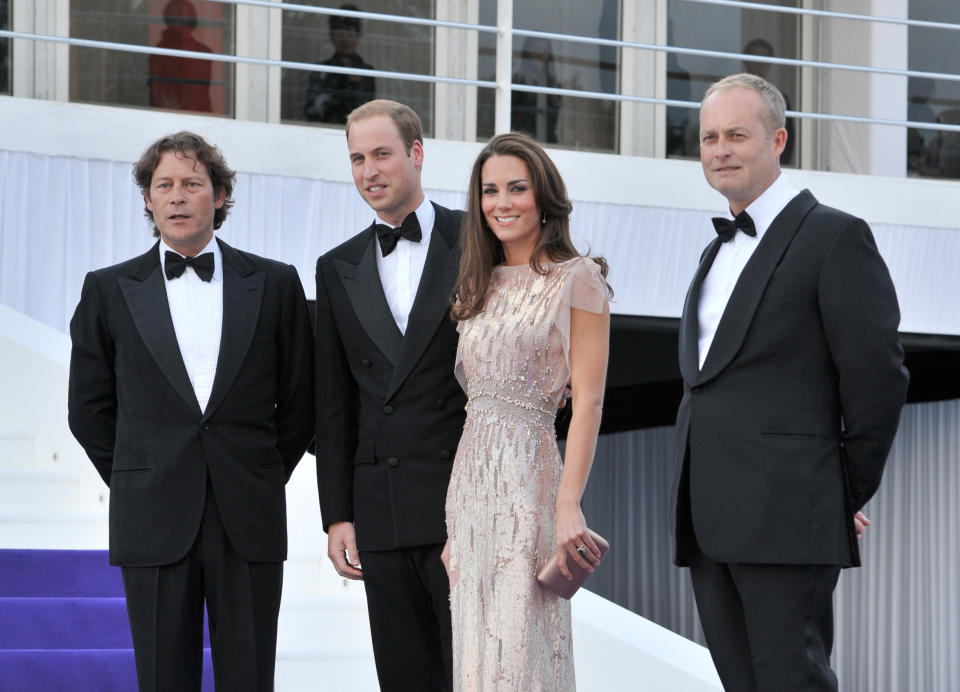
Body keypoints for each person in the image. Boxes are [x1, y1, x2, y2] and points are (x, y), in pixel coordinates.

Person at [673, 73, 908, 691]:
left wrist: (836, 492)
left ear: (779, 139)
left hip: (787, 519)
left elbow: (878, 380)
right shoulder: (712, 253)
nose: (719, 149)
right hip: (710, 519)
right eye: (708, 138)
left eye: (737, 135)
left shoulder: (835, 237)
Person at [67, 132, 314, 691]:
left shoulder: (275, 283)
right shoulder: (108, 290)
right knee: (162, 678)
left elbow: (302, 399)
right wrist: (140, 476)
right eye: (164, 185)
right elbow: (88, 407)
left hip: (247, 512)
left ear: (220, 196)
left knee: (250, 677)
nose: (177, 196)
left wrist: (260, 470)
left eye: (192, 184)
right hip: (151, 517)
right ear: (149, 201)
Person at [443, 132, 611, 691]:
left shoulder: (578, 278)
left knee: (519, 648)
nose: (502, 202)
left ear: (543, 198)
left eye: (517, 188)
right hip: (469, 487)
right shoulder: (478, 285)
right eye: (490, 191)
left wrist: (569, 504)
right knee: (474, 647)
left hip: (528, 482)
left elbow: (587, 398)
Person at [314, 99, 465, 691]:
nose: (369, 170)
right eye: (357, 158)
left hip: (465, 502)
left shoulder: (477, 235)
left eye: (381, 154)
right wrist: (338, 514)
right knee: (403, 678)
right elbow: (334, 402)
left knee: (473, 673)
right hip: (383, 509)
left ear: (417, 153)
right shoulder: (336, 267)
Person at [304, 4, 376, 125]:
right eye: (340, 35)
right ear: (332, 37)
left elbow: (368, 115)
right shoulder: (321, 71)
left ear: (357, 37)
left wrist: (356, 85)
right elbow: (313, 113)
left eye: (350, 34)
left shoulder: (367, 72)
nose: (345, 40)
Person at [149, 0, 215, 112]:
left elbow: (201, 94)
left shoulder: (204, 52)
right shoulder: (159, 53)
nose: (180, 23)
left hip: (199, 118)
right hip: (166, 117)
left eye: (184, 17)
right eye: (176, 18)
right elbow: (157, 93)